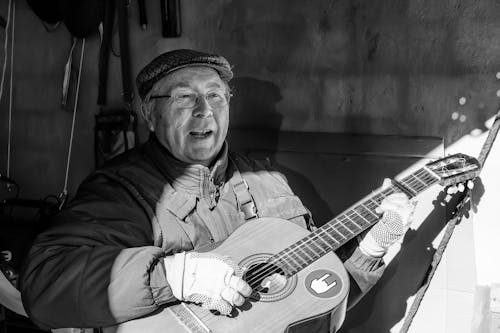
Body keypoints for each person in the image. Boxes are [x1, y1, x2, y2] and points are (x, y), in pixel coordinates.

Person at [20, 49, 416, 330]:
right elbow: (44, 285)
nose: (203, 111)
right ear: (148, 114)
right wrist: (175, 275)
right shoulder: (121, 193)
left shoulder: (270, 185)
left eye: (214, 95)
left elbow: (313, 298)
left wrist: (372, 248)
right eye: (183, 97)